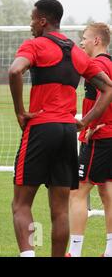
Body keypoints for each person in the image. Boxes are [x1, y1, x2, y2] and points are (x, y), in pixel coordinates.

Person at [8, 0, 112, 257]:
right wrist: (85, 121)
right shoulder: (77, 53)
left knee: (21, 204)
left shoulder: (35, 45)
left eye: (33, 19)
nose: (31, 24)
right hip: (68, 132)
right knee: (60, 210)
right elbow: (108, 88)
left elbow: (14, 71)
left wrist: (20, 112)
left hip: (41, 128)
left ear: (43, 20)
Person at [67, 23, 112, 257]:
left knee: (77, 192)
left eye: (84, 38)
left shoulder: (96, 66)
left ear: (97, 41)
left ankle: (73, 252)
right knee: (107, 190)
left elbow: (107, 94)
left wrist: (89, 124)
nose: (81, 42)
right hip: (109, 136)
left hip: (99, 137)